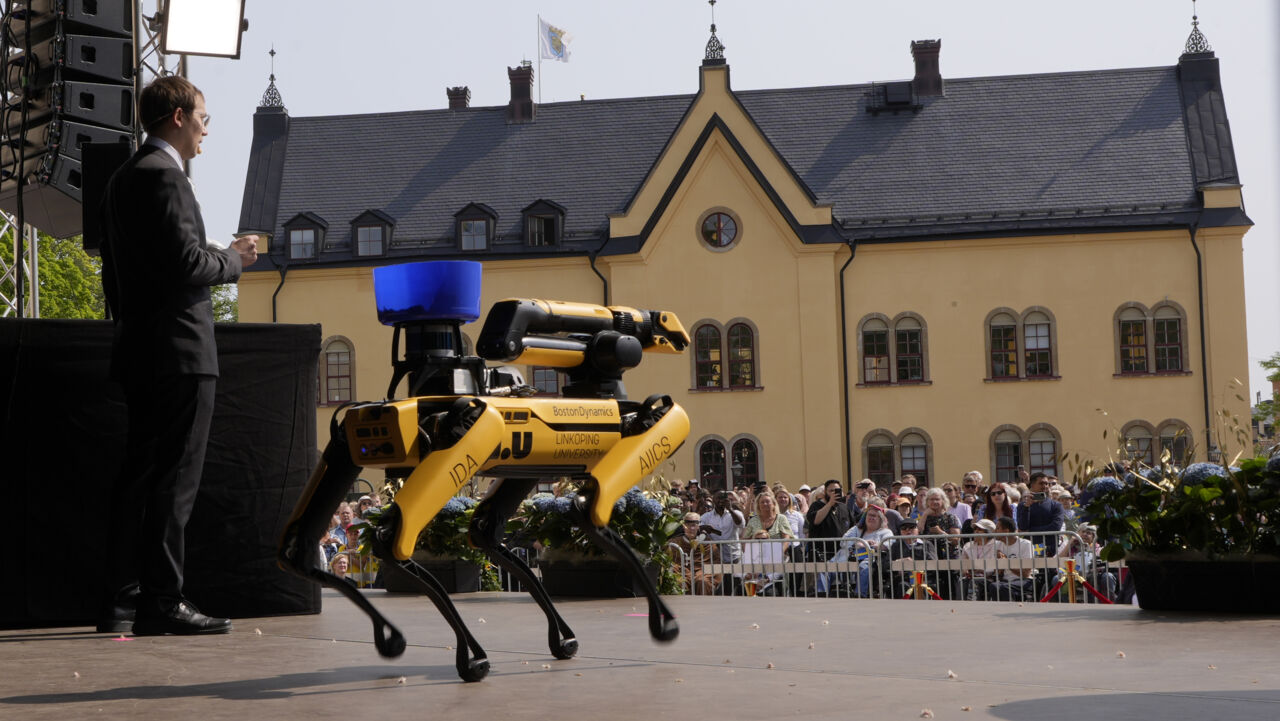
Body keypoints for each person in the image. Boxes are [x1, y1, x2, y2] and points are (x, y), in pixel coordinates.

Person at [97, 76, 259, 636]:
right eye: (203, 119)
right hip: (181, 353)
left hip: (139, 349)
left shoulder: (122, 179)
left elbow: (118, 273)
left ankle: (121, 599)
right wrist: (234, 260)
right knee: (175, 481)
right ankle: (164, 601)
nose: (206, 131)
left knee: (139, 478)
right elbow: (186, 264)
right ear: (178, 117)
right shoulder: (166, 177)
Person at [986, 516, 1038, 602]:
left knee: (1004, 587)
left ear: (1006, 531)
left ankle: (1009, 608)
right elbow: (997, 572)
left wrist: (1006, 562)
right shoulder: (998, 545)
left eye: (997, 528)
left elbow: (1026, 573)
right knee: (993, 586)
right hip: (1006, 580)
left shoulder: (1026, 544)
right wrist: (999, 563)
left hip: (1024, 580)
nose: (994, 531)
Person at [670, 512, 720, 595]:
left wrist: (700, 573)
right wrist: (684, 572)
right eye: (688, 524)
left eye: (694, 525)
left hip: (702, 573)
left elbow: (715, 563)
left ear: (698, 526)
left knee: (702, 582)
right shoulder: (675, 543)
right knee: (679, 582)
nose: (691, 528)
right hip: (682, 573)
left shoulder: (708, 543)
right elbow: (671, 563)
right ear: (683, 526)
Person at [1017, 471, 1066, 556]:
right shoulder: (1023, 505)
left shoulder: (1056, 505)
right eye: (1041, 483)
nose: (1045, 486)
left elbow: (1055, 527)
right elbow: (1022, 527)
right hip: (1029, 550)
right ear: (1032, 485)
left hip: (1050, 549)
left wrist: (1030, 531)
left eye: (1046, 483)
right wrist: (1027, 507)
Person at [958, 518, 1001, 600]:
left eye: (980, 529)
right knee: (961, 581)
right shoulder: (968, 546)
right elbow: (963, 566)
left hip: (990, 578)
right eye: (975, 529)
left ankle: (972, 604)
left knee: (975, 582)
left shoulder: (997, 545)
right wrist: (966, 571)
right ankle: (961, 605)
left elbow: (996, 567)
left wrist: (981, 570)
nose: (976, 531)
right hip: (971, 576)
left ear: (988, 532)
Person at [700, 490, 745, 561]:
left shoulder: (736, 513)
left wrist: (730, 509)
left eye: (723, 498)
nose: (721, 500)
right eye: (718, 498)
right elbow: (698, 529)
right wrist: (703, 528)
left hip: (734, 556)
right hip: (716, 558)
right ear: (713, 500)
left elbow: (740, 524)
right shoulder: (706, 517)